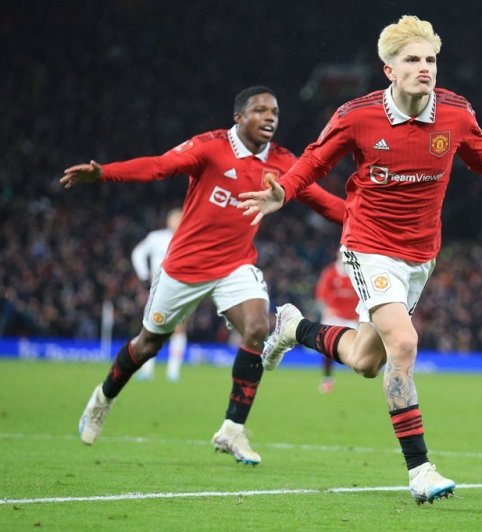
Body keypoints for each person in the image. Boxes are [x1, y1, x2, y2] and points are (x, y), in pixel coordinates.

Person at [238, 16, 482, 502]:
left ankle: (292, 327)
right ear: (389, 69)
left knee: (367, 360)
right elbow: (314, 160)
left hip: (421, 255)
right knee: (404, 345)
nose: (424, 67)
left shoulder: (454, 113)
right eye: (412, 59)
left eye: (430, 59)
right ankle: (420, 469)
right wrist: (282, 190)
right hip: (368, 245)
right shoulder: (357, 115)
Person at [60, 86, 345, 465]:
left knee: (258, 328)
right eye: (259, 110)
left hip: (235, 266)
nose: (270, 117)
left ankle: (232, 430)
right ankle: (102, 398)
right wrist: (103, 174)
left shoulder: (281, 162)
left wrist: (377, 223)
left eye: (274, 111)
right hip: (184, 267)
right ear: (239, 118)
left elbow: (324, 202)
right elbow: (158, 166)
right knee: (147, 345)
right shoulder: (210, 147)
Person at [130, 207, 186, 382]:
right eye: (174, 219)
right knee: (153, 326)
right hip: (158, 288)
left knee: (179, 328)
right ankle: (147, 368)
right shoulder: (156, 237)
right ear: (168, 221)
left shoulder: (189, 239)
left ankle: (173, 371)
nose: (177, 223)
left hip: (181, 288)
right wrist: (144, 275)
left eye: (180, 219)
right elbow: (138, 253)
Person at [314, 251, 360, 393]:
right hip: (335, 316)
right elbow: (321, 295)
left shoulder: (357, 272)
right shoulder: (330, 272)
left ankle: (356, 377)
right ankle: (327, 379)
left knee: (358, 350)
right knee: (326, 348)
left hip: (353, 317)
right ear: (338, 255)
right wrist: (325, 310)